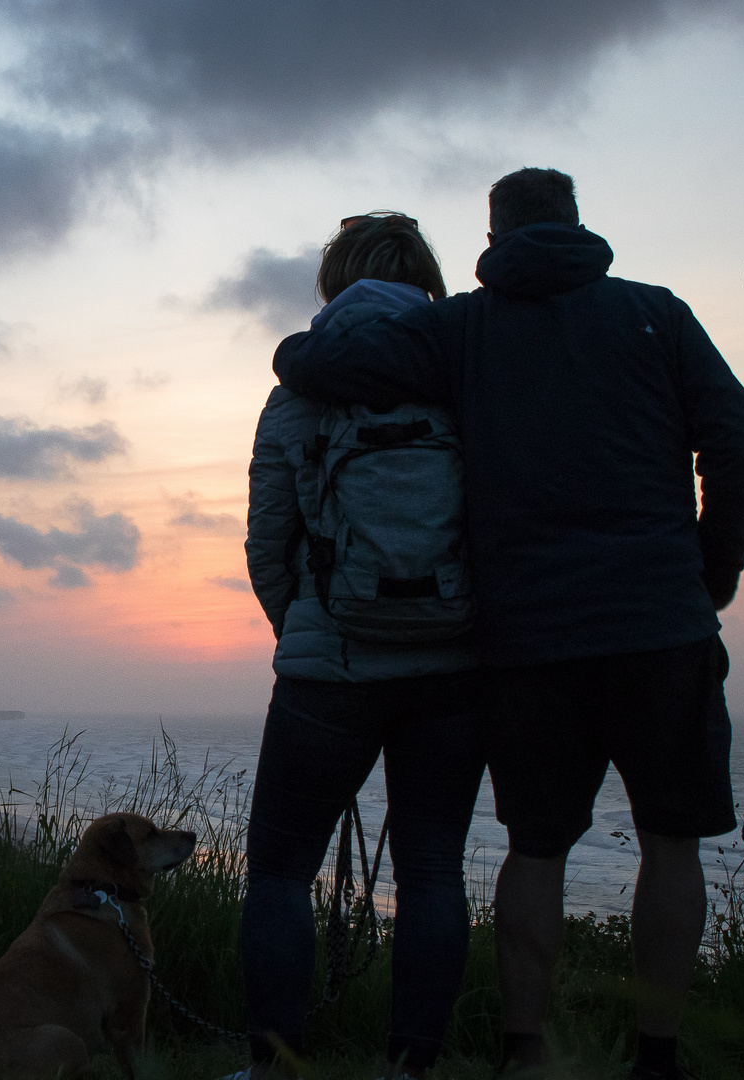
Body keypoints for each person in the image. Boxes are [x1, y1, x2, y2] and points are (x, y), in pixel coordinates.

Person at [272, 169, 744, 1079]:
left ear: (492, 241)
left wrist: (291, 358)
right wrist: (710, 573)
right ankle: (656, 1055)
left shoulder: (464, 328)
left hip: (531, 641)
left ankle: (523, 1051)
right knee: (671, 843)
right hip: (662, 626)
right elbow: (737, 441)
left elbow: (339, 365)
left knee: (536, 848)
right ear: (579, 224)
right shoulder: (656, 314)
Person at [240, 213, 486, 1078]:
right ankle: (411, 1067)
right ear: (427, 277)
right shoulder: (466, 373)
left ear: (333, 282)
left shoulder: (301, 387)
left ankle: (275, 1066)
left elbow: (268, 543)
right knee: (431, 872)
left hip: (327, 667)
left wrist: (304, 627)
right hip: (455, 669)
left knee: (277, 872)